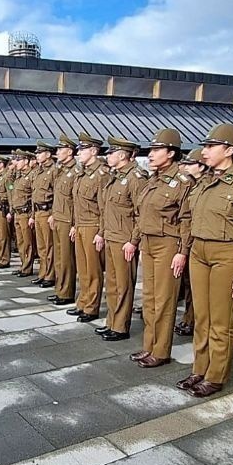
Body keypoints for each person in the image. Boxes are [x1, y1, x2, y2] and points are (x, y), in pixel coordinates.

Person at [177, 124, 233, 398]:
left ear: (229, 150)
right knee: (202, 316)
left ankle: (216, 375)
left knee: (222, 319)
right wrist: (184, 249)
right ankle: (199, 368)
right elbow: (189, 218)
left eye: (211, 146)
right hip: (200, 251)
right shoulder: (204, 181)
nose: (205, 151)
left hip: (228, 253)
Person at [130, 128, 193, 368]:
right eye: (152, 150)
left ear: (171, 153)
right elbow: (141, 215)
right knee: (149, 298)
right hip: (149, 242)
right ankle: (149, 345)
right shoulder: (153, 180)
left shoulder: (182, 182)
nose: (151, 154)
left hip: (168, 244)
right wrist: (136, 241)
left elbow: (186, 220)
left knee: (164, 300)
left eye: (157, 150)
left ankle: (161, 350)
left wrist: (182, 251)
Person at [97, 136, 148, 341]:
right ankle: (111, 321)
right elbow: (107, 209)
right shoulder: (115, 177)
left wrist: (134, 241)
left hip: (124, 239)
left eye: (111, 153)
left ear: (122, 155)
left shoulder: (136, 178)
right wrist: (102, 233)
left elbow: (140, 213)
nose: (108, 156)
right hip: (111, 236)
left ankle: (121, 326)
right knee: (112, 284)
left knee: (123, 285)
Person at [67, 132, 111, 323]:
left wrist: (101, 232)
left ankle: (92, 307)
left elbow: (104, 207)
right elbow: (77, 203)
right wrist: (75, 225)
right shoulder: (83, 173)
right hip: (81, 225)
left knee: (93, 270)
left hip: (93, 226)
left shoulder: (101, 174)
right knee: (83, 269)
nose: (78, 153)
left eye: (82, 149)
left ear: (93, 151)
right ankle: (83, 302)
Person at [174, 148, 207, 337]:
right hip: (189, 241)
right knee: (188, 285)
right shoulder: (194, 186)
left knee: (195, 288)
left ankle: (192, 319)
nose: (185, 167)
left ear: (201, 167)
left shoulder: (201, 185)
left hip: (200, 243)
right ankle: (188, 318)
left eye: (190, 164)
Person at [48, 134, 79, 306]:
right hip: (59, 217)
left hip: (68, 220)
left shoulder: (75, 172)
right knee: (59, 257)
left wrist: (74, 223)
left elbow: (76, 201)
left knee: (67, 258)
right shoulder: (62, 171)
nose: (58, 152)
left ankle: (67, 293)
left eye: (60, 149)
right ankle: (60, 289)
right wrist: (53, 214)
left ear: (69, 151)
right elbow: (58, 197)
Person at [31, 141, 57, 287]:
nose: (37, 155)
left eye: (40, 153)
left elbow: (57, 195)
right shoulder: (39, 171)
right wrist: (33, 215)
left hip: (47, 212)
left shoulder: (54, 171)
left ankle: (50, 275)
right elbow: (35, 194)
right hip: (39, 212)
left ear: (47, 154)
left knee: (49, 246)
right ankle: (43, 272)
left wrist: (53, 214)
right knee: (41, 247)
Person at [9, 150, 36, 277]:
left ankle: (27, 267)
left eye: (19, 160)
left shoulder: (31, 176)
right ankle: (23, 264)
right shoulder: (19, 176)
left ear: (26, 161)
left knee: (27, 242)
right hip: (17, 213)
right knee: (20, 242)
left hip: (26, 213)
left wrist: (32, 215)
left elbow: (33, 197)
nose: (16, 162)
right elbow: (11, 190)